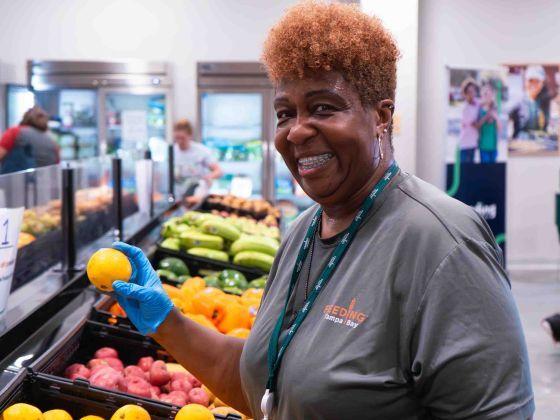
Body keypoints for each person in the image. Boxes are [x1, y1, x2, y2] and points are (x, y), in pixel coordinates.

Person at [110, 3, 534, 419]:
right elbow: (264, 388)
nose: (296, 130)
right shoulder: (302, 232)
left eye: (323, 108)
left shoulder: (443, 243)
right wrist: (167, 322)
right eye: (284, 113)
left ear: (381, 116)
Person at [0, 106, 59, 174]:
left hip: (16, 181)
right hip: (45, 181)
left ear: (25, 117)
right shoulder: (52, 141)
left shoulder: (15, 132)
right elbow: (56, 164)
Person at [173, 118, 222, 187]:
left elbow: (218, 171)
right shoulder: (171, 151)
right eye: (178, 138)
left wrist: (208, 178)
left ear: (190, 135)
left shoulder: (201, 151)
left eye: (182, 138)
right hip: (177, 194)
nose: (180, 142)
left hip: (197, 193)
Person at [509, 65, 548, 139]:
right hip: (521, 145)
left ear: (542, 84)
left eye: (537, 81)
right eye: (531, 80)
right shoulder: (518, 101)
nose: (534, 84)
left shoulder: (542, 103)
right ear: (525, 81)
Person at [476, 83, 501, 164]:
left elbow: (499, 128)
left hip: (493, 147)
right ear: (482, 95)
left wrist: (496, 118)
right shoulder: (479, 110)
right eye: (486, 94)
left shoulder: (495, 110)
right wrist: (486, 117)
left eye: (490, 94)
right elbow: (477, 126)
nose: (488, 96)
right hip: (483, 146)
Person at [459, 78, 480, 163]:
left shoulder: (477, 103)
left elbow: (485, 104)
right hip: (465, 145)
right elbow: (476, 125)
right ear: (465, 93)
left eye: (473, 91)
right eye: (469, 92)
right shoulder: (465, 108)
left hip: (473, 144)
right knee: (465, 171)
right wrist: (487, 116)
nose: (472, 94)